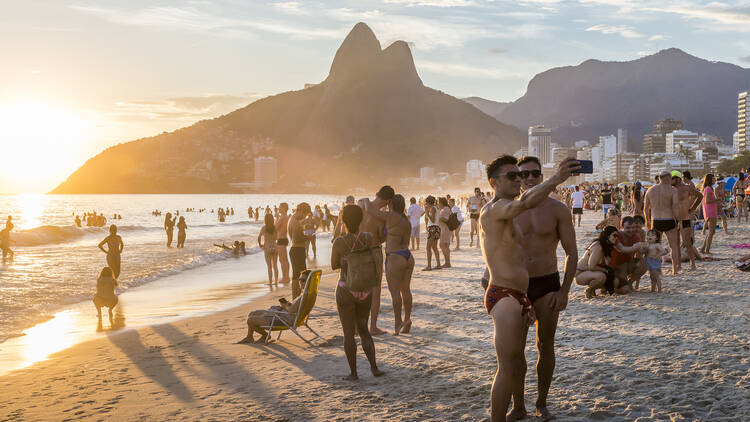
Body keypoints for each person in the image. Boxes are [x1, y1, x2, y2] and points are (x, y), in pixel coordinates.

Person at [480, 155, 578, 422]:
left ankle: (541, 403)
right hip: (509, 292)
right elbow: (520, 206)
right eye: (517, 176)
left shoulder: (552, 209)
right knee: (510, 362)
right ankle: (517, 407)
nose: (525, 179)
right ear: (495, 182)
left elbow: (505, 249)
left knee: (544, 346)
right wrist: (559, 178)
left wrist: (564, 290)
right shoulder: (501, 209)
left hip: (543, 284)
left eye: (533, 174)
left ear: (540, 175)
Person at [331, 205, 385, 380]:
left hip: (346, 288)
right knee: (363, 330)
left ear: (343, 220)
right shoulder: (369, 238)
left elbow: (334, 265)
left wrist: (345, 258)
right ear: (361, 220)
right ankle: (374, 368)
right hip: (365, 290)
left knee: (348, 333)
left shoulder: (339, 242)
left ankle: (353, 373)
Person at [365, 193, 415, 335]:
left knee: (395, 293)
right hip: (407, 256)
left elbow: (370, 210)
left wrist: (366, 200)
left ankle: (398, 322)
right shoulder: (406, 220)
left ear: (391, 205)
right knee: (406, 290)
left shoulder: (391, 216)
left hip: (394, 257)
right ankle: (407, 319)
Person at [357, 187, 391, 336]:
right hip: (373, 251)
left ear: (377, 194)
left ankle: (357, 327)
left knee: (358, 289)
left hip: (357, 251)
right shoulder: (381, 216)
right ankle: (373, 326)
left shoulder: (360, 206)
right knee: (375, 291)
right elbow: (381, 237)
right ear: (387, 201)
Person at [644, 170, 681, 275]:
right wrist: (678, 220)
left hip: (656, 221)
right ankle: (675, 270)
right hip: (669, 219)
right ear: (669, 178)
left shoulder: (650, 190)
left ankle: (657, 269)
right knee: (673, 246)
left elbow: (646, 208)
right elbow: (675, 206)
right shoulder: (673, 190)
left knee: (656, 246)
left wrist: (647, 221)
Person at [575, 226, 619, 298]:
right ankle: (589, 291)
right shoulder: (598, 246)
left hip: (590, 272)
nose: (616, 238)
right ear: (607, 236)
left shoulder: (607, 246)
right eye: (614, 235)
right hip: (580, 273)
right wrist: (605, 270)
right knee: (601, 277)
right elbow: (591, 266)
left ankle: (598, 290)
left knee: (615, 282)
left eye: (617, 236)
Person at [672, 170, 703, 271]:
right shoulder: (671, 189)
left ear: (677, 178)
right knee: (675, 243)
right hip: (674, 219)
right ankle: (679, 265)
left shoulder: (686, 188)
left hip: (685, 218)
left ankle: (692, 264)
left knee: (687, 242)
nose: (670, 180)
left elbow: (700, 196)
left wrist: (693, 208)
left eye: (672, 178)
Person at [610, 216, 647, 294]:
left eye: (633, 227)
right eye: (628, 228)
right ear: (622, 227)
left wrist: (646, 248)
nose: (631, 230)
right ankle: (614, 285)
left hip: (627, 264)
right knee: (624, 290)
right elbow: (622, 249)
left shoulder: (636, 235)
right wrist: (636, 247)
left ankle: (630, 283)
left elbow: (641, 250)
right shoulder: (616, 235)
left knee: (644, 263)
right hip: (616, 267)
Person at [288, 203, 311, 298]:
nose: (304, 217)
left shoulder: (293, 219)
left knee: (298, 275)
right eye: (305, 214)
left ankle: (297, 297)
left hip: (297, 249)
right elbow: (297, 238)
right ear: (301, 211)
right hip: (297, 250)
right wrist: (307, 237)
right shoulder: (295, 222)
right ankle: (295, 297)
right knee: (297, 276)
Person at [700, 174, 720, 254]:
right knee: (711, 232)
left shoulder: (709, 188)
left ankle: (703, 249)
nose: (715, 180)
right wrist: (716, 199)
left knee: (711, 232)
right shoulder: (708, 188)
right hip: (710, 211)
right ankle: (707, 250)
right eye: (713, 178)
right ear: (709, 180)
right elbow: (707, 201)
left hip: (712, 211)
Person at [423, 195, 442, 271]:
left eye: (426, 203)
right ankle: (438, 265)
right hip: (436, 228)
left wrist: (427, 213)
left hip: (433, 228)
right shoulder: (436, 208)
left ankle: (429, 266)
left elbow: (433, 220)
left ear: (428, 203)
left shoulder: (433, 208)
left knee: (428, 247)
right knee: (434, 247)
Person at [275, 203, 291, 283]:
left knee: (282, 260)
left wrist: (276, 218)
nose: (278, 208)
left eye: (280, 207)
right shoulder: (286, 217)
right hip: (284, 238)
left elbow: (275, 227)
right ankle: (286, 276)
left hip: (281, 239)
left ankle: (285, 277)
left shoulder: (282, 217)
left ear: (284, 208)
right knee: (285, 259)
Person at [437, 197, 452, 268]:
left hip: (445, 229)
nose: (438, 204)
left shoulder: (446, 209)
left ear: (441, 203)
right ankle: (447, 262)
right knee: (445, 246)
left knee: (443, 245)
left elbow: (446, 219)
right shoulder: (445, 209)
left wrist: (438, 217)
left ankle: (447, 262)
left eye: (438, 202)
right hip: (444, 229)